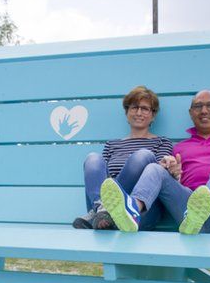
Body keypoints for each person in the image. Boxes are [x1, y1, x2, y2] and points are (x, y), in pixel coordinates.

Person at [100, 90, 210, 235]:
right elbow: (173, 187)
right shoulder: (179, 148)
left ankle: (203, 211)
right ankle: (133, 210)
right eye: (198, 106)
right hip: (187, 215)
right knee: (155, 169)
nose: (204, 110)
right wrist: (174, 174)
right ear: (191, 112)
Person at [72, 85, 174, 230]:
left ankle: (106, 211)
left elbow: (158, 176)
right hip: (102, 213)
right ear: (127, 113)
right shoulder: (111, 145)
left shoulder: (162, 143)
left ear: (153, 115)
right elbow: (101, 178)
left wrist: (168, 167)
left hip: (141, 211)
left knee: (143, 156)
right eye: (134, 107)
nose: (139, 112)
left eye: (145, 109)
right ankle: (103, 211)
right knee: (93, 158)